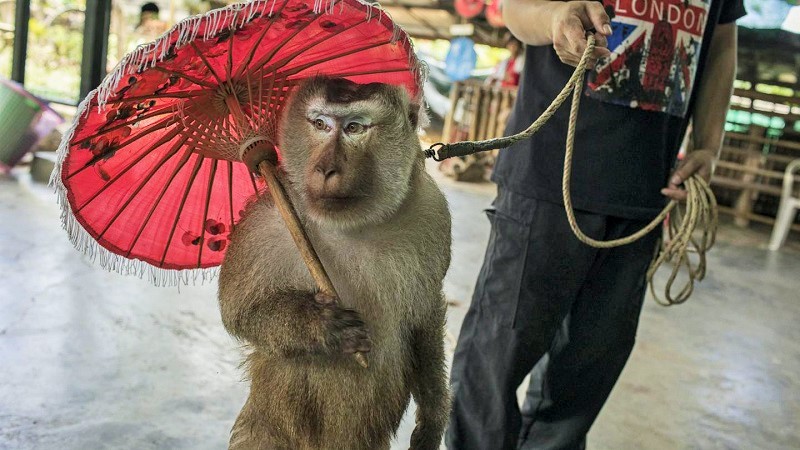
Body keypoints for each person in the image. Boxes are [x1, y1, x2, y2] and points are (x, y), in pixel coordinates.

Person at [446, 0, 745, 448]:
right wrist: (553, 20)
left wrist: (709, 142)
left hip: (648, 190)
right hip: (549, 177)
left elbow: (720, 42)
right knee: (495, 357)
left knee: (588, 371)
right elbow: (514, 10)